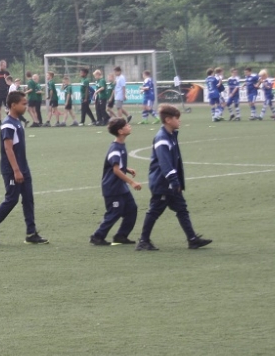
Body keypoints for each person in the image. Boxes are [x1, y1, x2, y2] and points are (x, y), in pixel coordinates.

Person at [135, 104, 212, 251]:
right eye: (177, 118)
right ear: (168, 120)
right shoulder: (162, 138)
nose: (179, 121)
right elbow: (165, 163)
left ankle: (192, 239)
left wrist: (176, 181)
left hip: (171, 183)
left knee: (182, 209)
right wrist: (174, 180)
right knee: (154, 210)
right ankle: (143, 241)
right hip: (163, 183)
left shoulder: (171, 136)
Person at [0, 92, 48, 246]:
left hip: (23, 167)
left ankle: (31, 233)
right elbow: (8, 149)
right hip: (12, 169)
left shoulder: (17, 122)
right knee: (12, 199)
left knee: (28, 199)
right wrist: (16, 170)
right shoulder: (8, 124)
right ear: (13, 105)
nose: (26, 106)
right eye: (23, 103)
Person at [90, 118, 141, 246]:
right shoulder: (115, 148)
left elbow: (117, 165)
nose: (129, 126)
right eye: (126, 125)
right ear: (120, 131)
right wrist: (132, 182)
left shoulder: (120, 145)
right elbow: (116, 170)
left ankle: (121, 236)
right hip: (112, 188)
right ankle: (97, 236)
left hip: (120, 187)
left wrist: (127, 169)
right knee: (114, 212)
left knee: (132, 209)